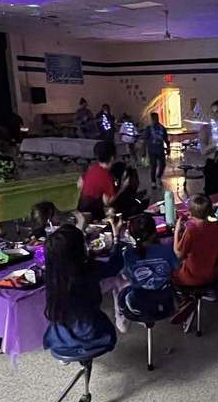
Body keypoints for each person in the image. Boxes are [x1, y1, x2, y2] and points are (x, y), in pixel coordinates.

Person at [42, 224, 121, 359]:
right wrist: (117, 238)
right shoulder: (89, 268)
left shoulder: (52, 274)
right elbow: (116, 265)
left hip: (59, 336)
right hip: (91, 333)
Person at [114, 213, 178, 332]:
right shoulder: (168, 250)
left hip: (137, 304)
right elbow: (176, 268)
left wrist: (116, 236)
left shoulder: (128, 254)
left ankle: (121, 320)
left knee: (117, 282)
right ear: (155, 232)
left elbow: (124, 275)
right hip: (166, 302)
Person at [172, 194, 218, 286]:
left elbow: (179, 254)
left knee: (170, 270)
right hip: (211, 275)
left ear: (190, 212)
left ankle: (185, 297)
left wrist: (176, 230)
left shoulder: (191, 230)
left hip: (191, 278)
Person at [77, 140, 117, 220]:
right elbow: (107, 202)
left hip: (81, 206)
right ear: (112, 158)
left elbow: (79, 182)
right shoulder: (107, 177)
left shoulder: (93, 168)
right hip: (93, 212)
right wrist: (123, 187)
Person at [140, 111, 171, 187]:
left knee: (163, 165)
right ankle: (153, 181)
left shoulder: (162, 128)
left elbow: (166, 139)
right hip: (152, 150)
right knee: (153, 166)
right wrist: (143, 151)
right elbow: (144, 140)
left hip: (160, 150)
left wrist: (168, 148)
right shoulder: (149, 129)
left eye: (155, 118)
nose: (154, 120)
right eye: (153, 118)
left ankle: (159, 176)